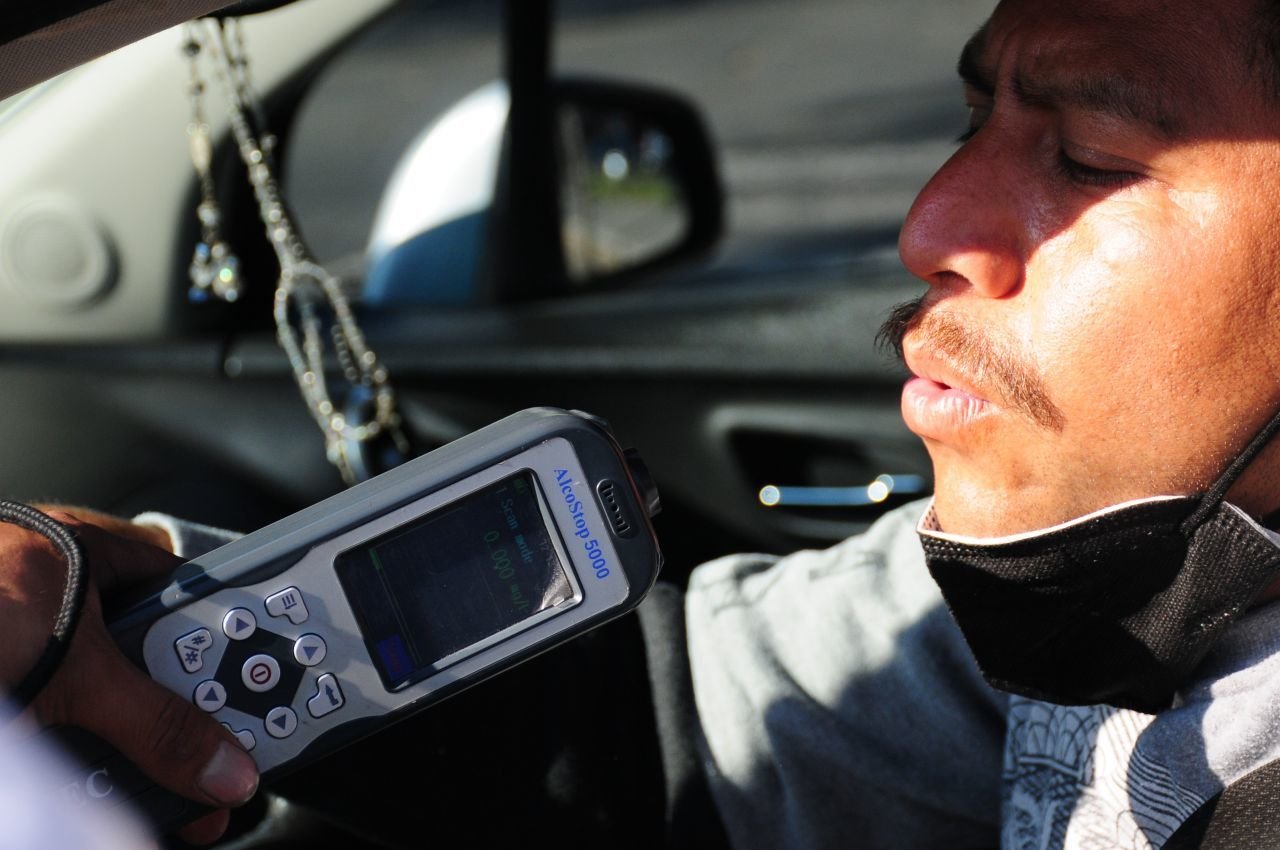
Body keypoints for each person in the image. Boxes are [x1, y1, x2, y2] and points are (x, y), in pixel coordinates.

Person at [8, 0, 1280, 848]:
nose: (929, 225)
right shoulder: (1104, 568)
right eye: (971, 124)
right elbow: (688, 719)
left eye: (1087, 157)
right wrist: (150, 603)